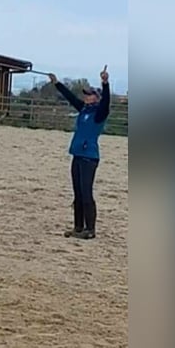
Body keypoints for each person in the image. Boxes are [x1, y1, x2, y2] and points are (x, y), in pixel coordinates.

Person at [48, 65, 110, 239]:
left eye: (90, 94)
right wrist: (57, 83)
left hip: (89, 157)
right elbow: (71, 98)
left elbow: (106, 103)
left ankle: (90, 230)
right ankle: (78, 227)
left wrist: (105, 83)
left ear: (96, 98)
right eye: (86, 94)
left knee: (86, 192)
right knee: (77, 193)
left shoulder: (99, 113)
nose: (86, 96)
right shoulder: (84, 110)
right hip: (77, 154)